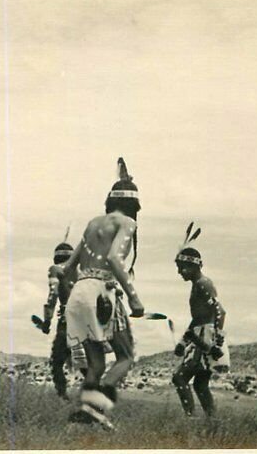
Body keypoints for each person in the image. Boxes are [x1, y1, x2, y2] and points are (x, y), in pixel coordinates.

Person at [62, 158, 145, 428]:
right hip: (101, 291)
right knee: (125, 356)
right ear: (134, 205)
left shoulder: (91, 223)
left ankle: (85, 415)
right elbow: (113, 258)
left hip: (78, 292)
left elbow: (67, 268)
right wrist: (133, 296)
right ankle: (97, 405)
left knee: (96, 363)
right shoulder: (127, 223)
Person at [172, 223, 228, 417]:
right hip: (201, 336)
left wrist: (216, 340)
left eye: (182, 268)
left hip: (206, 337)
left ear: (193, 266)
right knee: (200, 384)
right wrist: (183, 341)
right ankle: (212, 422)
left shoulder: (203, 284)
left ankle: (191, 419)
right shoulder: (198, 284)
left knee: (179, 378)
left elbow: (220, 311)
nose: (179, 272)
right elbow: (196, 319)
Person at [39, 241, 84, 398]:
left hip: (68, 320)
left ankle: (62, 397)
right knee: (84, 361)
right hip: (87, 321)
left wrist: (46, 321)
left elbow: (53, 296)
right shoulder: (83, 272)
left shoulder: (56, 270)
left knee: (57, 361)